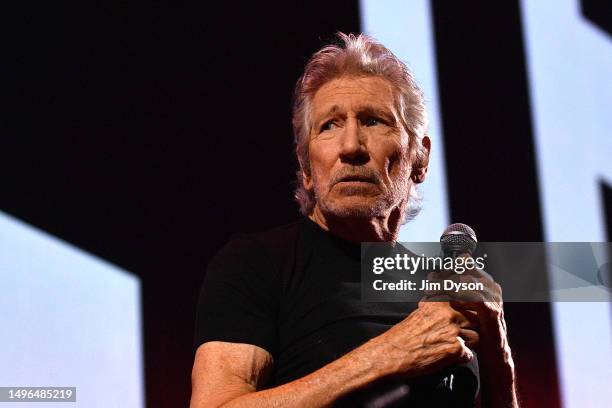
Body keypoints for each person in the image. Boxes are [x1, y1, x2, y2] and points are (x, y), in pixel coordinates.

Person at [190, 32, 518, 407]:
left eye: (374, 121)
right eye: (329, 125)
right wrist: (389, 355)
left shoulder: (439, 288)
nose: (350, 147)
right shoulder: (255, 264)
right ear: (306, 166)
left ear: (420, 157)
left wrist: (498, 356)